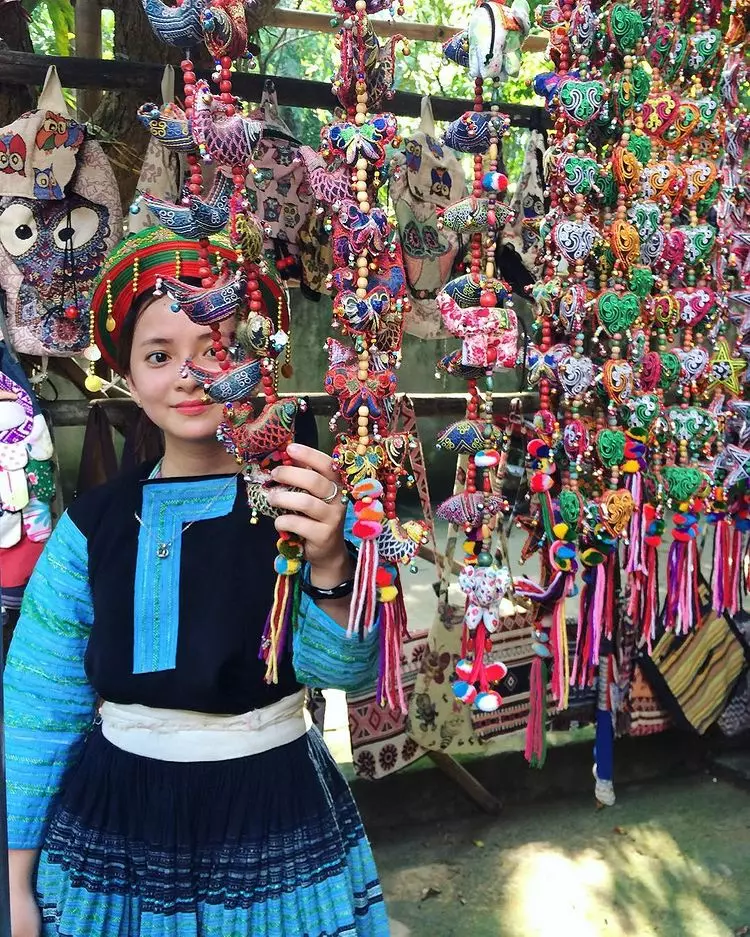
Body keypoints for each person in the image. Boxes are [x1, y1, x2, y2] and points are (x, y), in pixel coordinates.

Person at [4, 228, 391, 937]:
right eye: (159, 355)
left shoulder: (306, 501)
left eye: (216, 349)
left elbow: (346, 671)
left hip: (276, 820)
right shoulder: (91, 526)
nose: (189, 375)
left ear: (259, 361)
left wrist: (334, 559)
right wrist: (16, 877)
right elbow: (40, 703)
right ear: (127, 374)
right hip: (115, 830)